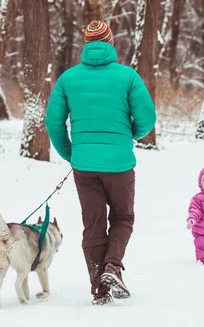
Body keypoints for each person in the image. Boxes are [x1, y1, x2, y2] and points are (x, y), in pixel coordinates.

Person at [45, 20, 156, 305]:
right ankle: (112, 267)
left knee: (93, 224)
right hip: (119, 164)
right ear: (110, 43)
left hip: (84, 166)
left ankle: (99, 288)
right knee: (122, 217)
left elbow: (53, 122)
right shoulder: (128, 77)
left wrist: (71, 152)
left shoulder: (68, 79)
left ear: (87, 44)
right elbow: (147, 119)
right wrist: (128, 135)